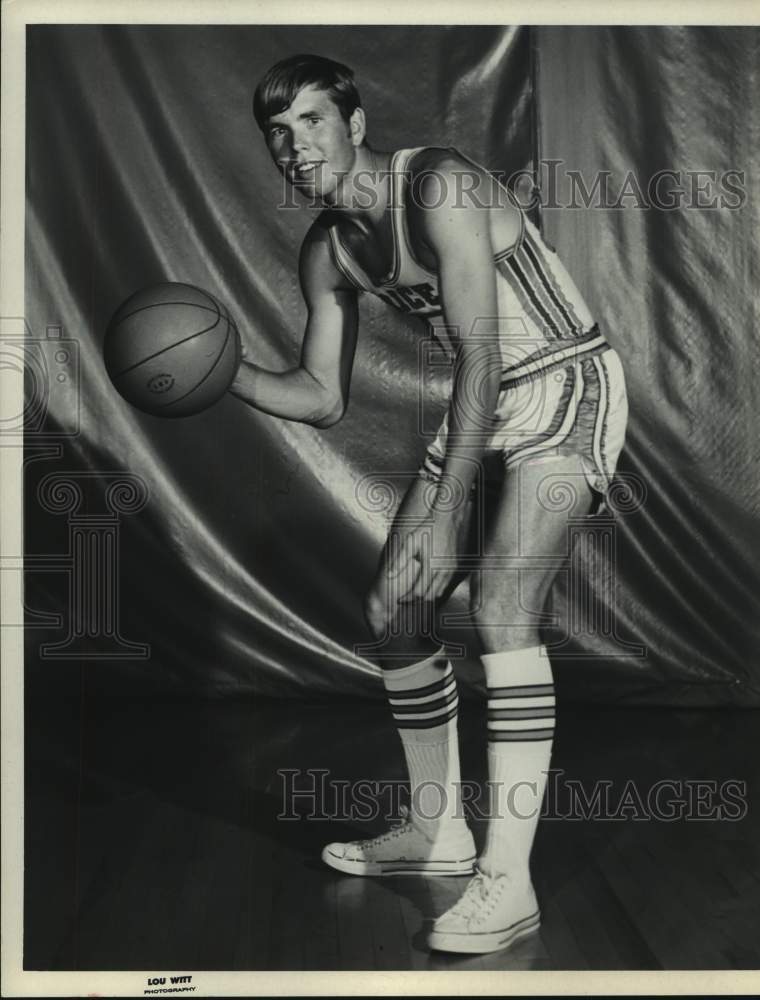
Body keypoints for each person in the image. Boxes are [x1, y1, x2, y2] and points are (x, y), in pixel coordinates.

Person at [230, 53, 628, 955]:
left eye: (314, 123)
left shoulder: (439, 186)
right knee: (394, 611)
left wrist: (448, 517)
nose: (296, 149)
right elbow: (321, 395)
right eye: (279, 136)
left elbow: (483, 358)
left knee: (500, 609)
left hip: (565, 382)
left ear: (357, 125)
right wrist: (226, 373)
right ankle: (435, 828)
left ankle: (508, 882)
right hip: (481, 406)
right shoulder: (327, 251)